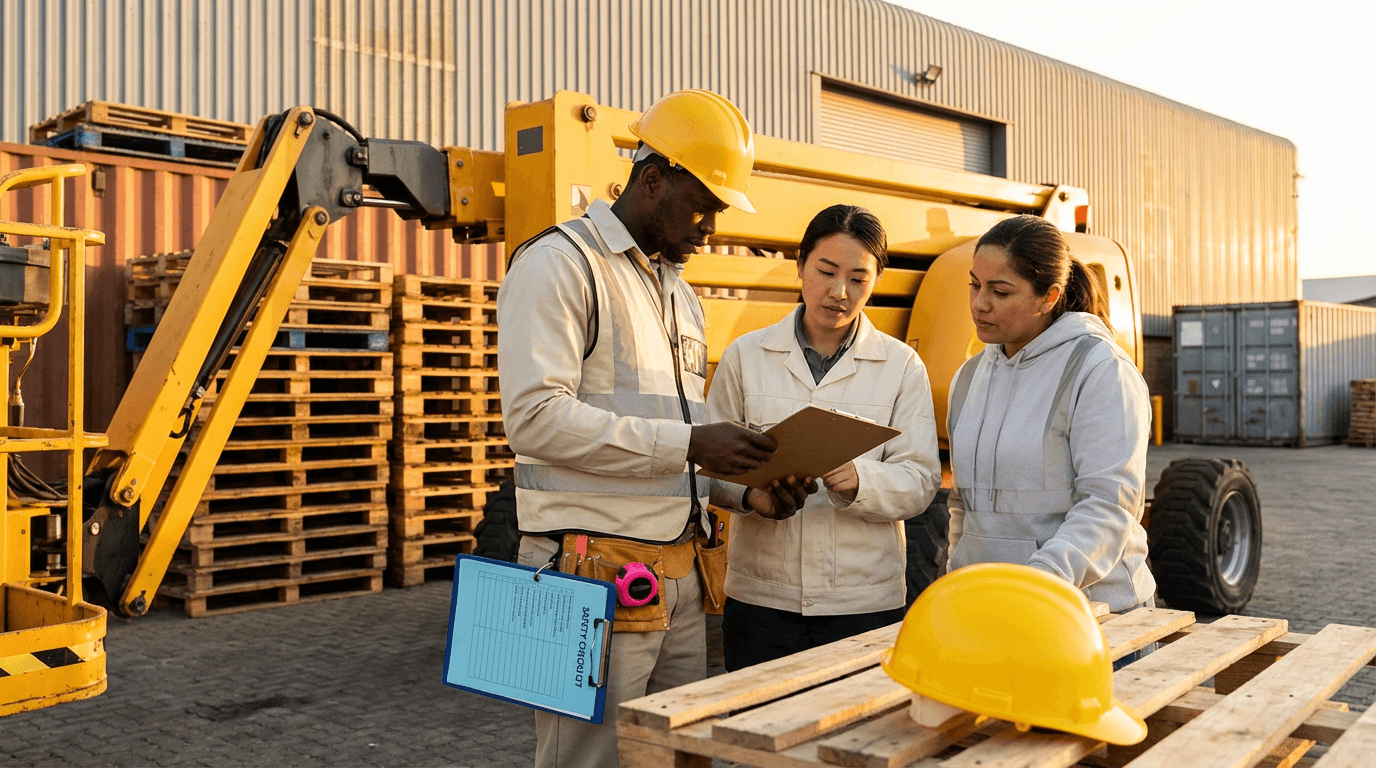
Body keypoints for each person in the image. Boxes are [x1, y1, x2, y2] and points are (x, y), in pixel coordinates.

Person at [497, 89, 809, 768]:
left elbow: (669, 428)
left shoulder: (678, 293)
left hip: (677, 575)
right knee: (588, 759)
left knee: (673, 757)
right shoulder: (559, 264)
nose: (711, 228)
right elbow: (533, 419)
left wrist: (740, 493)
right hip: (587, 571)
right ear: (652, 179)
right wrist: (695, 443)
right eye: (703, 206)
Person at [705, 204, 942, 671]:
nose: (839, 292)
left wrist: (861, 480)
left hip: (862, 604)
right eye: (826, 271)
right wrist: (752, 496)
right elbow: (708, 470)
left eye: (858, 279)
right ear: (800, 266)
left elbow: (920, 479)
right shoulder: (746, 356)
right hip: (761, 601)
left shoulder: (900, 366)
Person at [946, 214, 1156, 629]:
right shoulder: (969, 376)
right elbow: (963, 506)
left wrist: (1036, 584)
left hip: (1093, 619)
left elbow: (1107, 506)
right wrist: (958, 582)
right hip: (995, 612)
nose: (979, 303)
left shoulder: (1099, 370)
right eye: (974, 284)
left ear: (1048, 297)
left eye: (1000, 291)